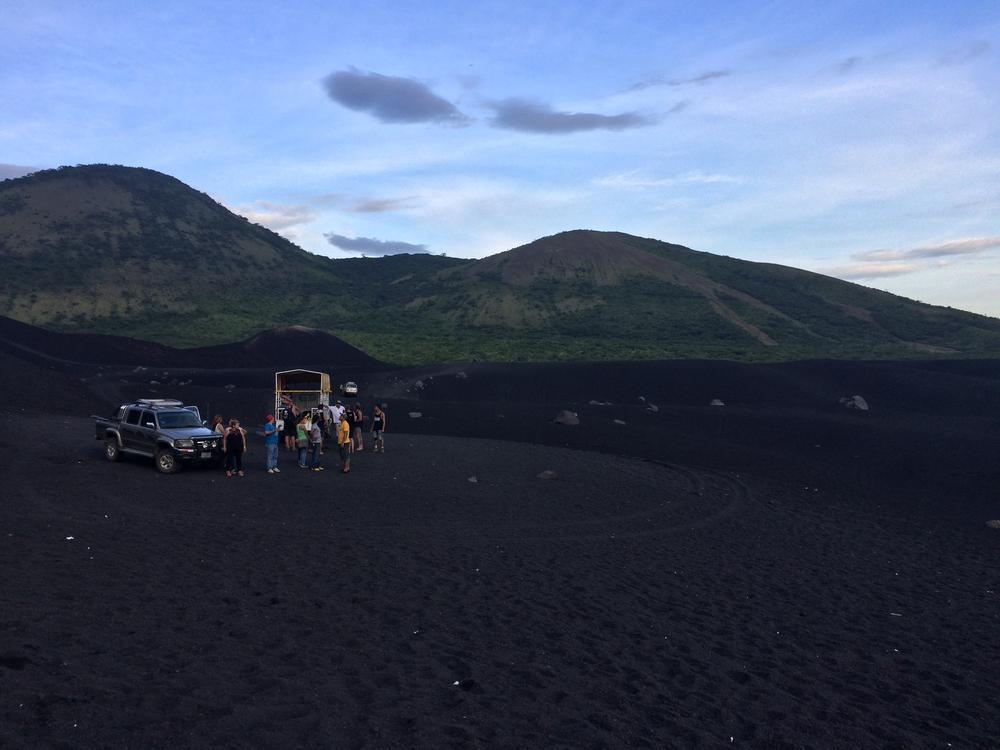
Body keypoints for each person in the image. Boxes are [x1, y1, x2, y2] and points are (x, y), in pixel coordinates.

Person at [337, 409, 352, 473]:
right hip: (341, 442)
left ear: (343, 417)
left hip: (345, 442)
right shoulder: (341, 423)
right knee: (342, 455)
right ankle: (345, 467)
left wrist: (342, 442)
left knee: (346, 455)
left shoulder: (345, 424)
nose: (339, 416)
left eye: (341, 416)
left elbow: (346, 434)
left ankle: (346, 468)